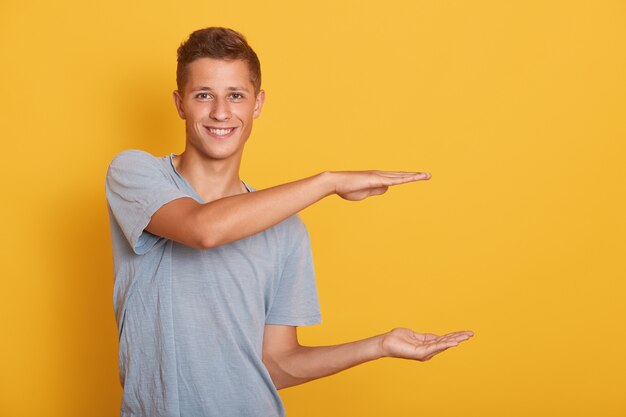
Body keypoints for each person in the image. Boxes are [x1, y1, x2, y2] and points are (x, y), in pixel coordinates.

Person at [106, 27, 473, 417]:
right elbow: (202, 229)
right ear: (180, 104)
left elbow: (277, 363)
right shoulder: (135, 174)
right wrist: (328, 182)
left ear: (257, 104)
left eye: (235, 95)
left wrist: (379, 346)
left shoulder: (286, 229)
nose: (220, 112)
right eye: (203, 95)